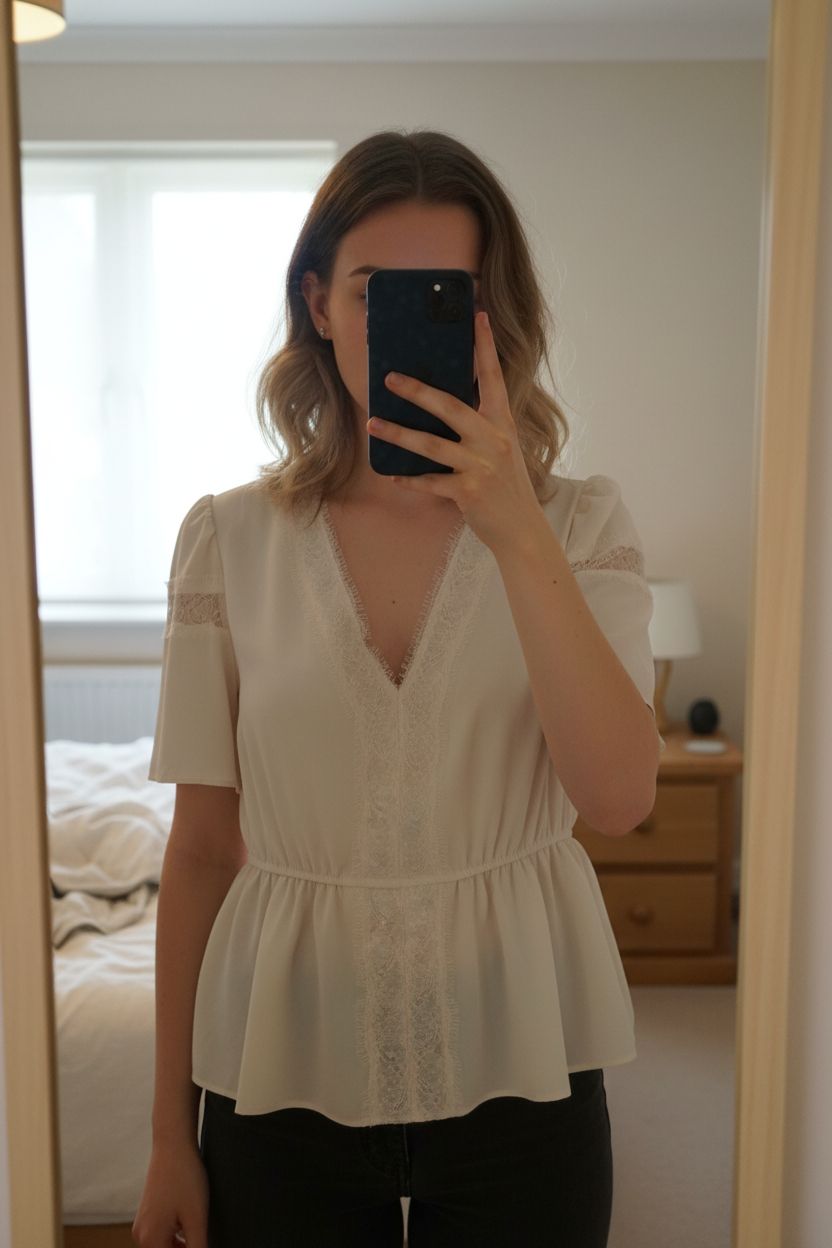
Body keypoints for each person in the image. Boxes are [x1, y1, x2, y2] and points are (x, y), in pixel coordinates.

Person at [132, 128, 664, 1248]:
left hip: (525, 1054)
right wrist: (167, 1137)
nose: (401, 322)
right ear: (318, 302)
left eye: (445, 293)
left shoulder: (579, 525)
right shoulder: (227, 540)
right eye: (377, 290)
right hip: (280, 1064)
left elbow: (615, 800)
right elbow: (200, 850)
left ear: (491, 312)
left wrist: (516, 530)